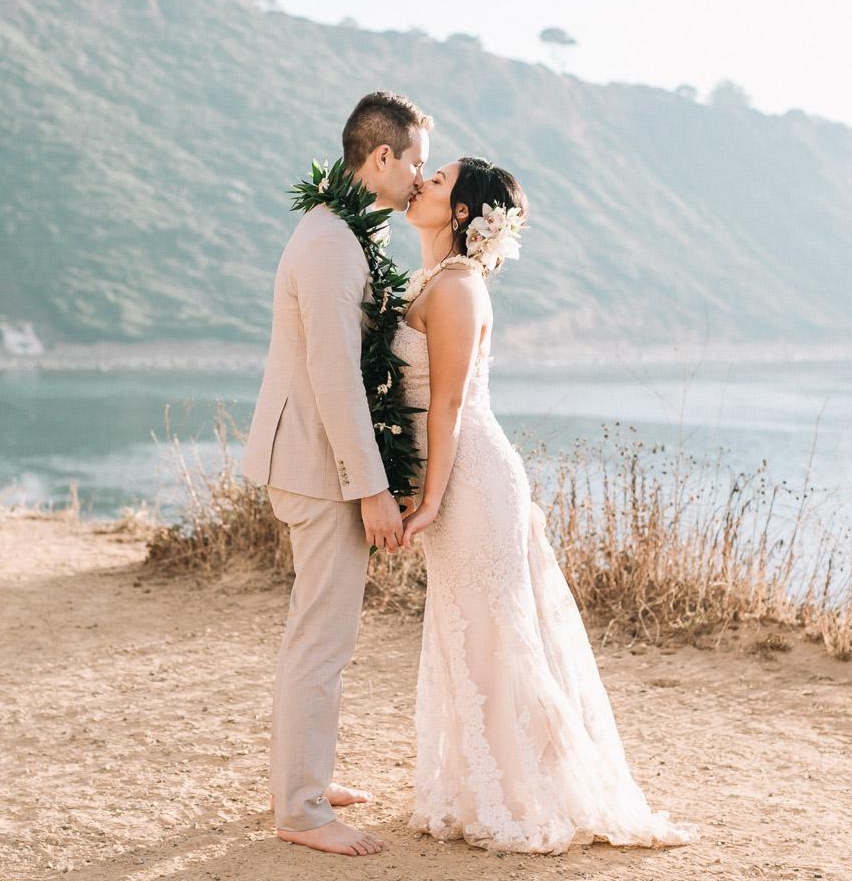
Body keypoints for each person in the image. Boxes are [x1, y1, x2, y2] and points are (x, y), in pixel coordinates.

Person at [395, 156, 702, 854]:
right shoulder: (433, 279)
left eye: (436, 181)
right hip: (452, 471)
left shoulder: (458, 289)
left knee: (493, 634)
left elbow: (447, 404)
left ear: (463, 213)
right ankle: (486, 785)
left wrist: (429, 499)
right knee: (468, 630)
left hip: (472, 480)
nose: (421, 183)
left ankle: (520, 796)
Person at [240, 90, 431, 857]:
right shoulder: (329, 244)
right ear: (381, 157)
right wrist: (372, 489)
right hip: (316, 465)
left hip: (316, 459)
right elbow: (333, 376)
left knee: (321, 632)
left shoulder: (341, 232)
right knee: (322, 637)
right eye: (414, 162)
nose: (420, 177)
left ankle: (302, 779)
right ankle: (302, 810)